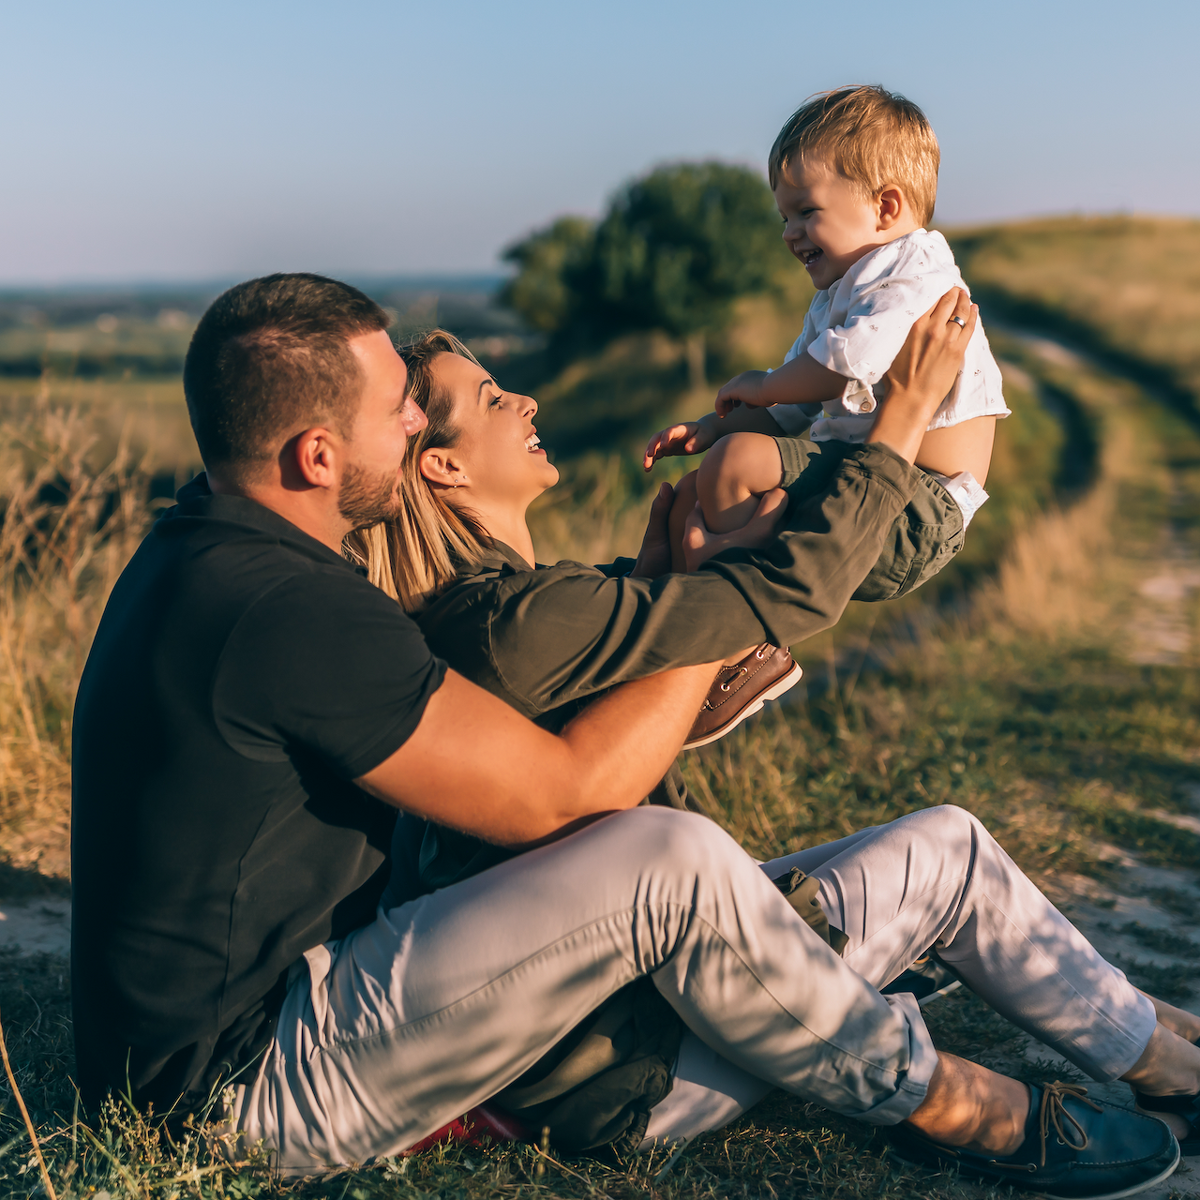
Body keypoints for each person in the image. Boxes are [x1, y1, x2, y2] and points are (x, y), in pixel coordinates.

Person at [69, 274, 1186, 1199]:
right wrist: (744, 558)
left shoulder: (209, 563)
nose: (411, 428)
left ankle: (1162, 1054)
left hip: (314, 1014)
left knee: (905, 842)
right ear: (317, 457)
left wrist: (671, 592)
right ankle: (952, 1104)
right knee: (670, 861)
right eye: (395, 411)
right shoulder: (287, 605)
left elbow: (550, 769)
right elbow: (564, 797)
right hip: (245, 1091)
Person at [365, 325, 1200, 1175]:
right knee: (950, 853)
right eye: (490, 399)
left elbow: (620, 686)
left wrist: (663, 579)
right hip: (644, 1068)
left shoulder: (482, 615)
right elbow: (796, 585)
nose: (526, 400)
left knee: (940, 847)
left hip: (611, 1033)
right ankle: (1172, 1072)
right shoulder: (519, 621)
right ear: (444, 466)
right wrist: (899, 421)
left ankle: (1149, 1033)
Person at [644, 85, 1010, 600]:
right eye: (784, 217)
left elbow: (844, 365)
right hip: (858, 476)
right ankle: (681, 628)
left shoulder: (913, 271)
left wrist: (765, 385)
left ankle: (743, 627)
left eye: (806, 211)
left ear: (885, 208)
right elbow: (794, 410)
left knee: (735, 466)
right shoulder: (845, 291)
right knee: (692, 497)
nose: (790, 233)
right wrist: (710, 427)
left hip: (916, 507)